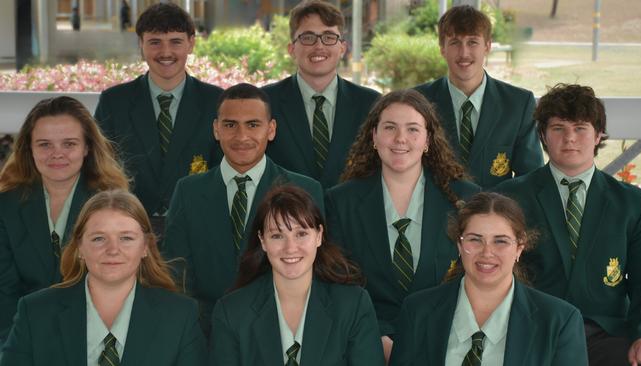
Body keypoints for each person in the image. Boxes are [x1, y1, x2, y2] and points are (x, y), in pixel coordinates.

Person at [495, 83, 641, 366]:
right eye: (558, 128)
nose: (570, 138)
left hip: (607, 334)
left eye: (580, 128)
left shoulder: (633, 204)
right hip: (533, 331)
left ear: (598, 135)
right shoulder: (510, 197)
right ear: (542, 135)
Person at [326, 89, 480, 362]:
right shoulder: (341, 202)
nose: (400, 139)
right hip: (367, 345)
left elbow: (475, 279)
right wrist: (375, 336)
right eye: (389, 128)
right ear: (374, 136)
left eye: (412, 129)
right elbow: (340, 281)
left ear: (428, 140)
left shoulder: (464, 199)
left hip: (445, 343)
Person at [163, 83, 324, 337]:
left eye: (253, 124)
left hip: (279, 333)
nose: (241, 136)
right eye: (230, 125)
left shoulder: (305, 189)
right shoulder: (188, 191)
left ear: (271, 130)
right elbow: (176, 273)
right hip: (206, 334)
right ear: (216, 129)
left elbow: (317, 273)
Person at [1, 190, 207, 366]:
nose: (113, 250)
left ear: (145, 246)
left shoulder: (180, 316)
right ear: (80, 247)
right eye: (99, 238)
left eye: (126, 238)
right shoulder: (35, 312)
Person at [389, 192, 588, 365]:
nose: (487, 253)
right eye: (475, 239)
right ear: (459, 245)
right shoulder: (417, 311)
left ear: (519, 247)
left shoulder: (559, 321)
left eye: (500, 241)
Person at [0, 96, 129, 347]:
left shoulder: (114, 204)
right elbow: (3, 291)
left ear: (87, 147)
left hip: (97, 338)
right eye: (45, 144)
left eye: (69, 143)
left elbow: (118, 287)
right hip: (22, 336)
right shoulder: (6, 205)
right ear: (29, 148)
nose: (56, 154)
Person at [209, 185, 384, 365]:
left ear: (319, 236)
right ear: (262, 240)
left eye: (301, 234)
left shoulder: (353, 306)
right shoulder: (231, 312)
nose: (290, 248)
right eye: (277, 236)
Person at [94, 2, 223, 230]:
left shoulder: (217, 102)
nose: (165, 52)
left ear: (191, 44)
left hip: (196, 223)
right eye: (155, 42)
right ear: (141, 45)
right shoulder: (114, 102)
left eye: (175, 42)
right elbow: (100, 166)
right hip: (129, 224)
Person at [414, 5, 542, 188]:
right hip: (434, 215)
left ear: (487, 46)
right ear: (442, 48)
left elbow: (530, 179)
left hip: (495, 213)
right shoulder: (417, 101)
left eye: (472, 42)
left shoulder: (518, 104)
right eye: (455, 42)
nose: (464, 53)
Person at [263, 0, 380, 189]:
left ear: (342, 48)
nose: (319, 46)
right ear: (291, 49)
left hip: (351, 217)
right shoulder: (265, 102)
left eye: (329, 37)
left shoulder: (371, 104)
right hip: (287, 216)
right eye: (308, 37)